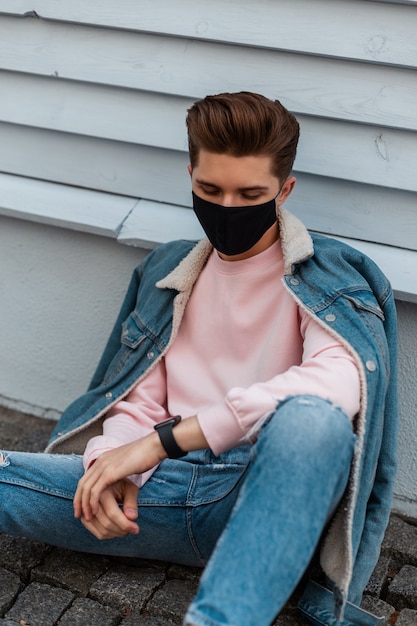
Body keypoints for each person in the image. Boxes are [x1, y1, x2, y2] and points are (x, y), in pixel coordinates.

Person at [0, 92, 397, 626]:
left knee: (313, 421)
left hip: (260, 491)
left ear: (285, 189)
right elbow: (136, 400)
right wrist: (112, 466)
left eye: (250, 193)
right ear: (189, 175)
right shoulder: (168, 272)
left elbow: (337, 387)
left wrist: (165, 440)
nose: (227, 208)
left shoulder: (331, 277)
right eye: (210, 189)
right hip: (156, 493)